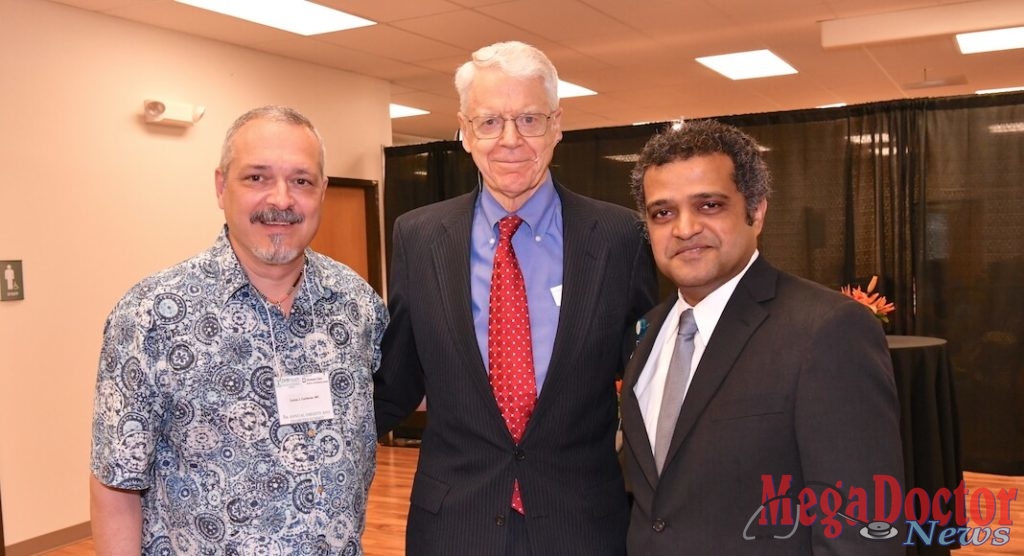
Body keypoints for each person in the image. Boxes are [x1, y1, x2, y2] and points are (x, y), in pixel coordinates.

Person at [373, 41, 658, 555]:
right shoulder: (418, 236)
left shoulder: (618, 237)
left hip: (585, 523)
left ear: (557, 125)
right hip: (454, 524)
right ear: (464, 130)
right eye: (488, 121)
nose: (510, 140)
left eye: (529, 119)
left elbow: (649, 377)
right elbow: (397, 377)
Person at [89, 105, 388, 555]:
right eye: (257, 178)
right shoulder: (151, 316)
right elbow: (116, 482)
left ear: (322, 191)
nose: (282, 200)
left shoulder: (357, 303)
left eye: (302, 181)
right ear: (220, 186)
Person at [620, 119, 904, 554]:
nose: (684, 228)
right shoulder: (650, 333)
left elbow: (861, 528)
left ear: (756, 211)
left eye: (709, 205)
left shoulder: (827, 330)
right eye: (663, 212)